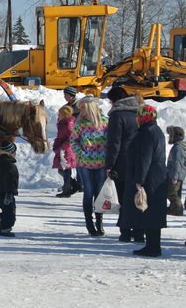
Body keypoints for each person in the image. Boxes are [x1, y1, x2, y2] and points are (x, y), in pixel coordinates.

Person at [124, 104, 168, 257]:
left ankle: (152, 246)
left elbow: (145, 157)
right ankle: (153, 244)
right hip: (157, 175)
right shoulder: (156, 130)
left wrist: (139, 179)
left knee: (149, 211)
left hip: (150, 177)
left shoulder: (147, 133)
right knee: (153, 212)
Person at [105, 87, 142, 242]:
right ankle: (139, 231)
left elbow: (114, 142)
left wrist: (109, 164)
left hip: (122, 162)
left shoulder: (117, 115)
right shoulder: (139, 112)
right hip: (139, 161)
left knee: (123, 198)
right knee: (137, 197)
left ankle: (126, 231)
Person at [70, 97, 108, 236]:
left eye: (83, 108)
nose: (81, 111)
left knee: (99, 194)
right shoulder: (80, 124)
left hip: (101, 163)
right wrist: (81, 153)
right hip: (85, 164)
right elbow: (73, 141)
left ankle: (99, 222)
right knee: (88, 193)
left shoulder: (105, 122)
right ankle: (89, 223)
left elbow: (111, 141)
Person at [0, 140, 19, 237]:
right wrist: (10, 193)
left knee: (7, 211)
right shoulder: (9, 166)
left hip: (0, 193)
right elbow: (10, 180)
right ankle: (4, 229)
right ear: (10, 153)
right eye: (14, 152)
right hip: (7, 194)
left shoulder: (0, 163)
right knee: (10, 213)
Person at [52, 105, 77, 198]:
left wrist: (63, 146)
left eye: (60, 113)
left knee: (65, 170)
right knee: (62, 170)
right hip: (62, 148)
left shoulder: (68, 123)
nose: (58, 115)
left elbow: (71, 137)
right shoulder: (62, 123)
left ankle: (67, 190)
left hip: (66, 149)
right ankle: (74, 185)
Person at [165, 126, 186, 216]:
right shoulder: (177, 147)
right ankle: (175, 208)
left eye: (171, 135)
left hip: (175, 176)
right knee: (174, 192)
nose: (169, 137)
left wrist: (175, 176)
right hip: (175, 175)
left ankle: (177, 209)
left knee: (172, 193)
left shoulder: (177, 149)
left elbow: (177, 163)